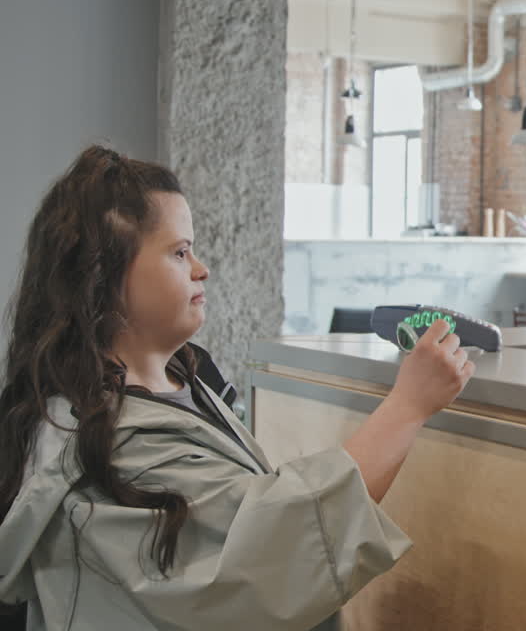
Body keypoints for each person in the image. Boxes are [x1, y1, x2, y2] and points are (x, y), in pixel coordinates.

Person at [0, 146, 475, 630]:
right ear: (105, 274)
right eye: (179, 252)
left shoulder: (185, 380)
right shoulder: (118, 443)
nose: (201, 268)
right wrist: (409, 405)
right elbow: (270, 548)